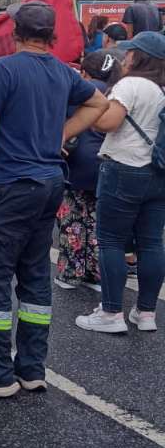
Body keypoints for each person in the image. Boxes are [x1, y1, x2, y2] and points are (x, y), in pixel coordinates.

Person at [0, 0, 108, 399]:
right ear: (51, 37)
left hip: (11, 185)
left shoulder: (2, 69)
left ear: (14, 33)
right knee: (35, 274)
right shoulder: (62, 72)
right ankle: (32, 368)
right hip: (50, 181)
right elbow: (99, 104)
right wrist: (60, 134)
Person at [76, 31, 165, 335]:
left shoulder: (131, 85)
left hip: (124, 167)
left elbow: (107, 123)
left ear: (139, 57)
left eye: (129, 52)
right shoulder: (160, 88)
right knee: (151, 242)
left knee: (112, 240)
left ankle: (111, 312)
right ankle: (146, 312)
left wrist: (95, 105)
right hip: (158, 172)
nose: (124, 57)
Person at [55, 50, 122, 293]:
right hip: (108, 162)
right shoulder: (120, 90)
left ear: (85, 70)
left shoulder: (81, 89)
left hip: (78, 162)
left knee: (73, 219)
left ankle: (71, 274)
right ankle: (96, 275)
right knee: (99, 223)